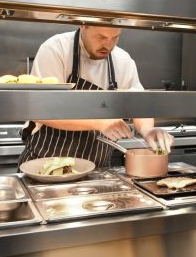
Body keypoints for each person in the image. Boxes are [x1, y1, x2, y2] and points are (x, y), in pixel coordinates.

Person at [18, 25, 174, 168]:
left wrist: (147, 130)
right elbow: (40, 109)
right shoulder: (56, 49)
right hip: (45, 166)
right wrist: (100, 122)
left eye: (115, 38)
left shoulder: (123, 60)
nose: (108, 45)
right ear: (83, 26)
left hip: (97, 171)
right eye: (101, 37)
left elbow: (139, 104)